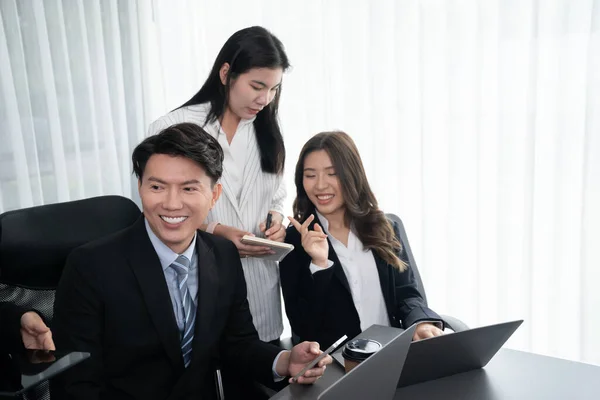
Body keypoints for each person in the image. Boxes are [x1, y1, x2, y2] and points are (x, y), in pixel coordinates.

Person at [50, 123, 331, 400]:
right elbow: (76, 386)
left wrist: (285, 361)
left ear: (214, 196)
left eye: (188, 189)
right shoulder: (90, 267)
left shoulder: (222, 255)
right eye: (157, 186)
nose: (172, 204)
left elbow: (237, 344)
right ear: (140, 187)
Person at [148, 26, 289, 344]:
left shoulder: (267, 133)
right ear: (226, 73)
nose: (265, 99)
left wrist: (275, 220)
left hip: (261, 294)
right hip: (198, 284)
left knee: (265, 373)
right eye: (256, 86)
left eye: (273, 88)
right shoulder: (172, 129)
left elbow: (275, 195)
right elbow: (155, 213)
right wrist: (215, 232)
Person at [280, 131, 445, 349]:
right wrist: (319, 265)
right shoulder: (294, 241)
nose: (320, 186)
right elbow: (304, 328)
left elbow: (407, 294)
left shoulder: (384, 227)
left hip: (393, 354)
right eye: (310, 175)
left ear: (351, 174)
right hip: (339, 367)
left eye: (333, 174)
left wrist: (420, 323)